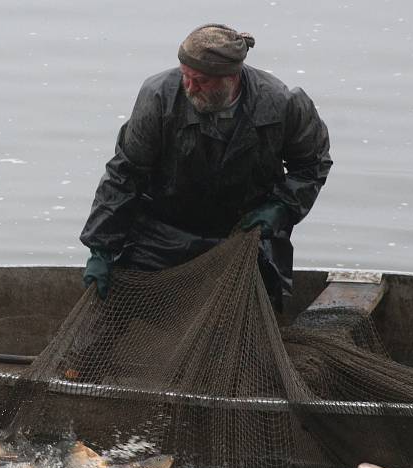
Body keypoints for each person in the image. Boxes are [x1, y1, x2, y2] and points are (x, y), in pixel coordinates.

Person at [79, 23, 332, 310]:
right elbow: (124, 174)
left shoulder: (282, 103)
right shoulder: (159, 96)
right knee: (111, 302)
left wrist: (282, 208)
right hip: (162, 232)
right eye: (185, 76)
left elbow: (312, 163)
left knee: (254, 311)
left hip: (244, 234)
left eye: (201, 81)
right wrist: (100, 248)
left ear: (231, 77)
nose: (189, 87)